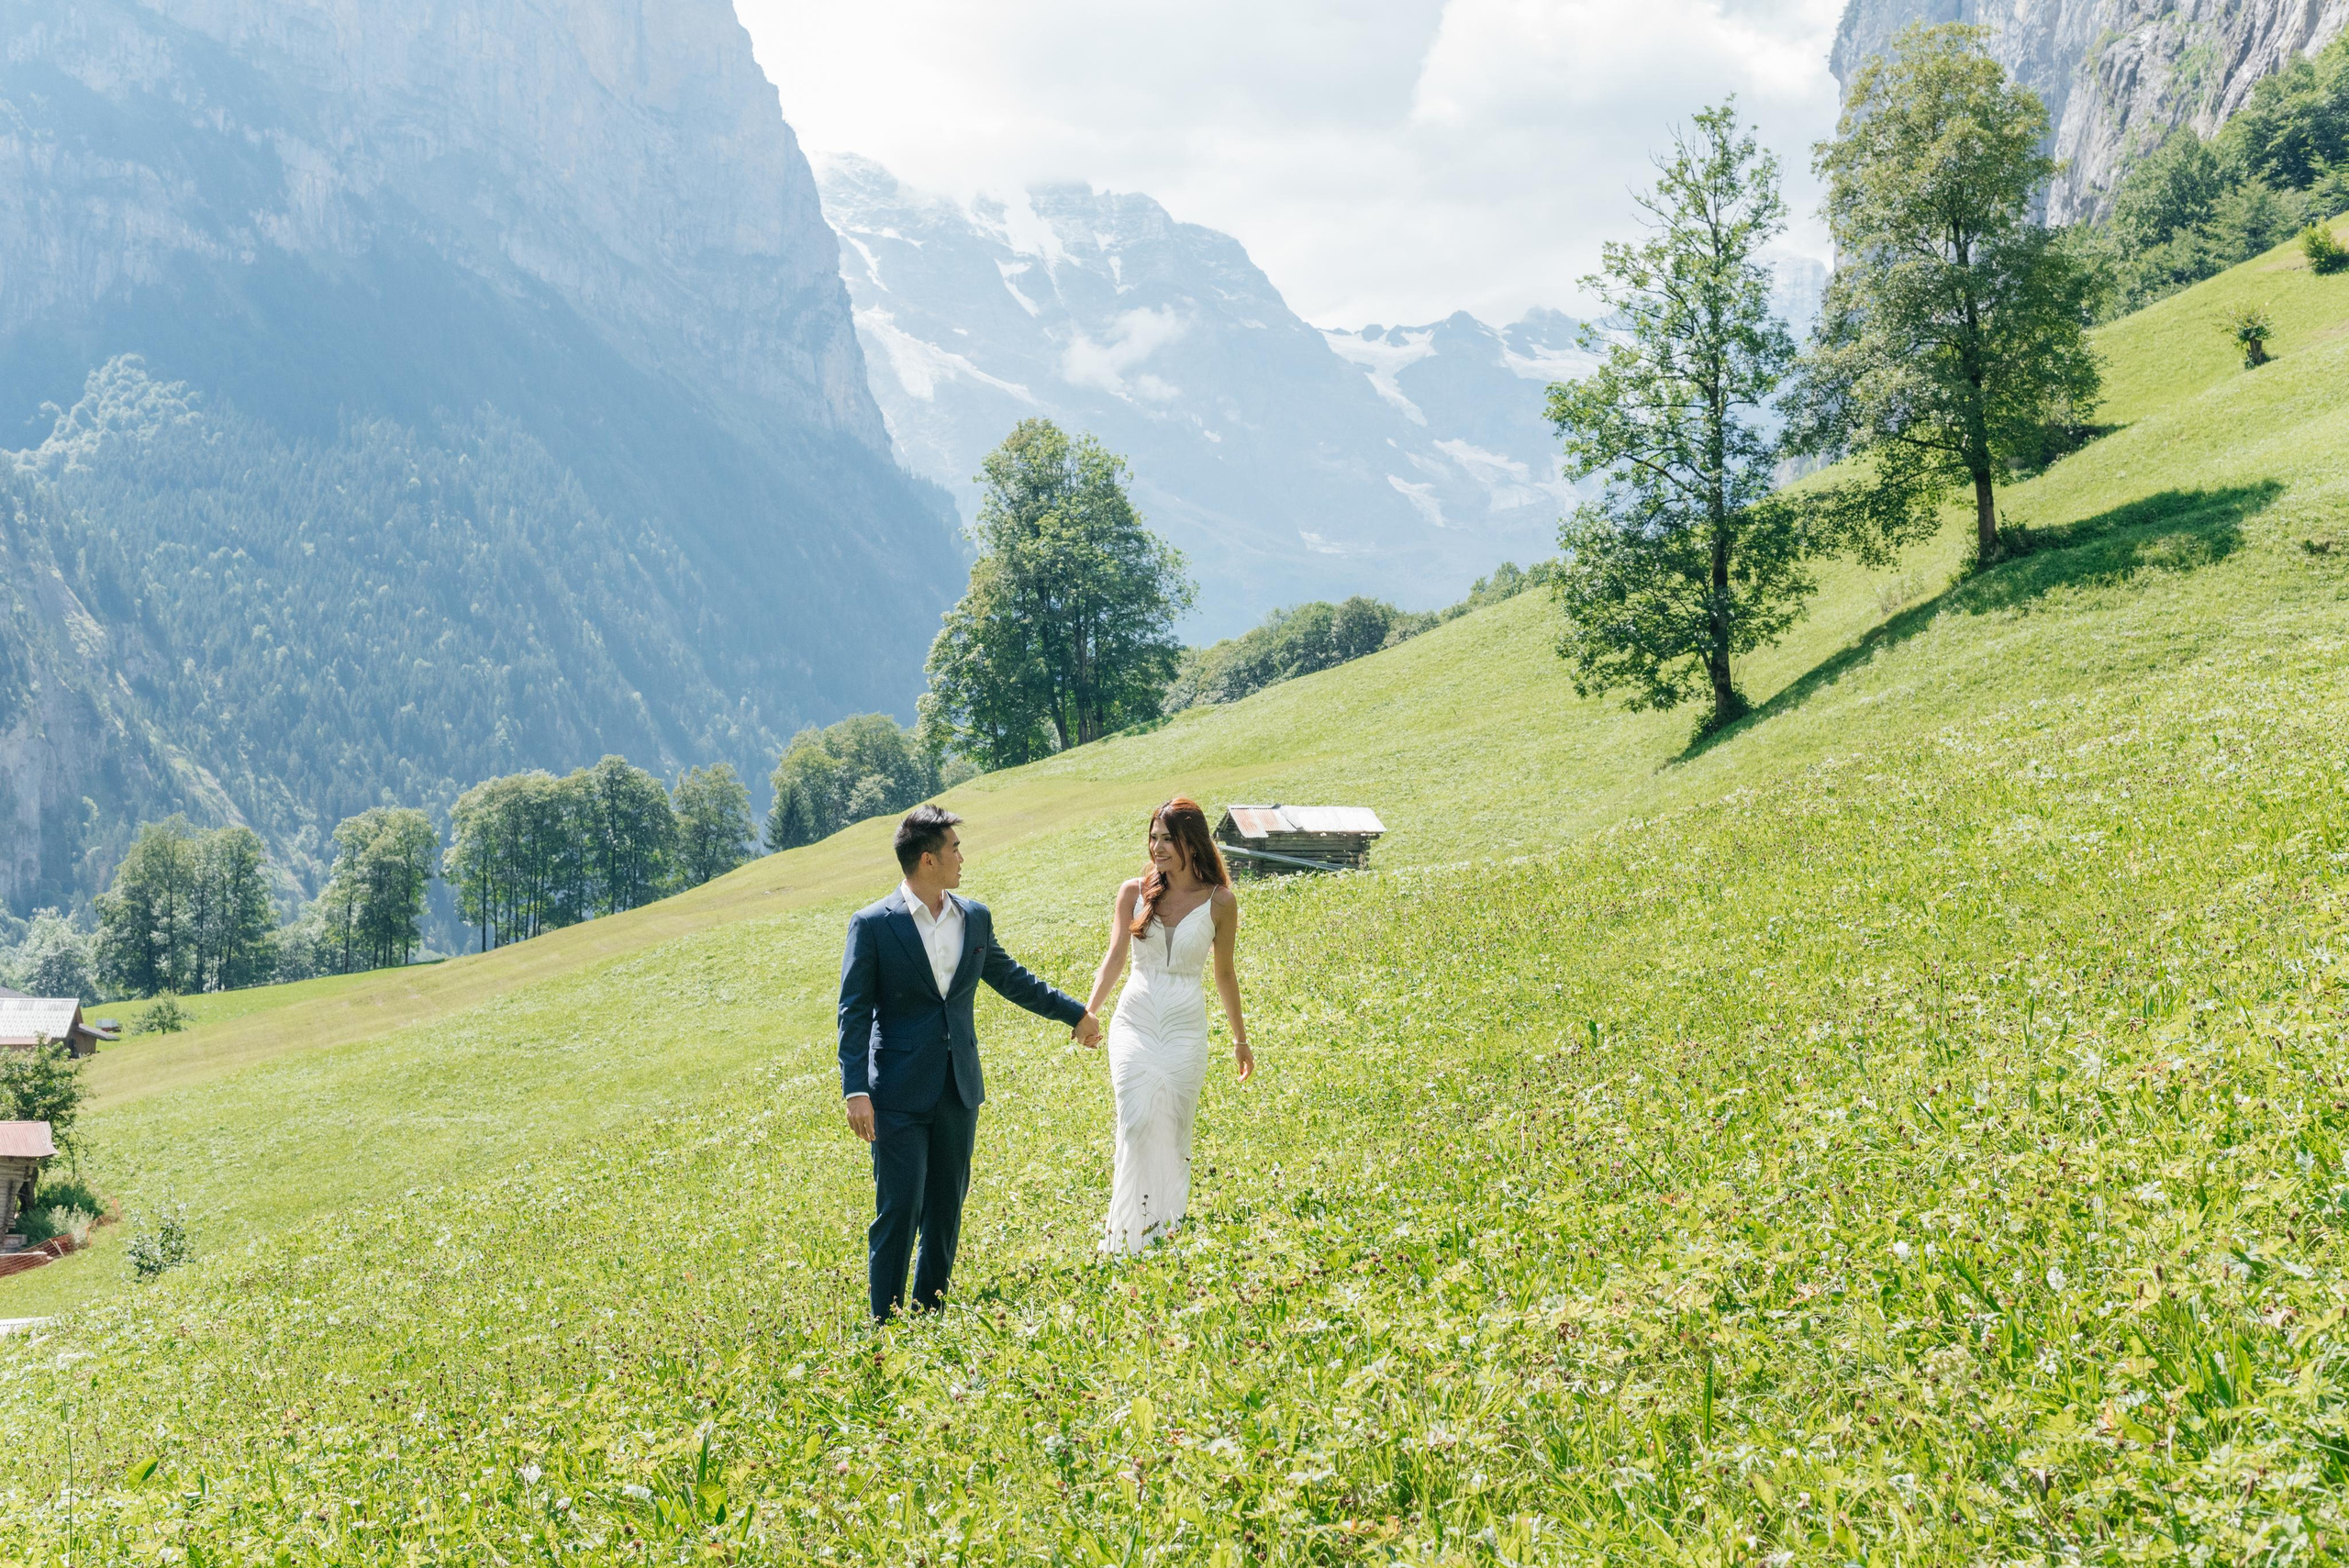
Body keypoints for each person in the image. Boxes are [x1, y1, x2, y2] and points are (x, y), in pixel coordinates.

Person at [838, 805, 1101, 1321]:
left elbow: (1012, 978)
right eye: (954, 848)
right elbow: (853, 1012)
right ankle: (884, 1325)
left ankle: (929, 1316)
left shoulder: (974, 916)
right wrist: (855, 1090)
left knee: (944, 1210)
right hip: (895, 1092)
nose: (962, 856)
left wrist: (1076, 1013)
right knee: (900, 1209)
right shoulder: (872, 925)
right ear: (928, 859)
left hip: (959, 1089)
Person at [1081, 796, 1252, 1254]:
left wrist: (1240, 1039)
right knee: (1136, 1122)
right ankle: (1123, 1239)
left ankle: (1164, 1231)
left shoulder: (1221, 902)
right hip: (1134, 1022)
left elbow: (1225, 973)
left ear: (1191, 844)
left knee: (1173, 1127)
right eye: (1153, 837)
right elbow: (1115, 957)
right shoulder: (1132, 892)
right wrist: (1090, 1010)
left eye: (1167, 839)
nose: (1157, 847)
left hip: (1185, 1029)